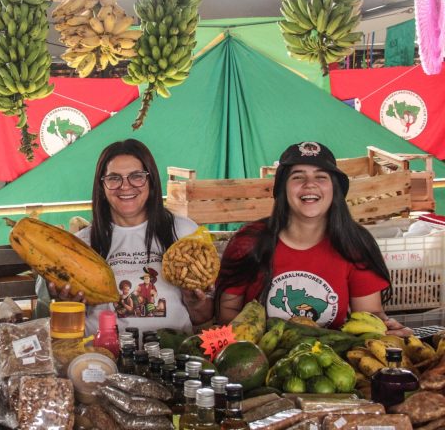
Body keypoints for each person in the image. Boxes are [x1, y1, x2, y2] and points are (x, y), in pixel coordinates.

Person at [188, 141, 412, 337]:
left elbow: (369, 315)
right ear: (282, 189)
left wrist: (388, 329)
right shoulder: (249, 241)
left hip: (329, 367)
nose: (310, 184)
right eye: (298, 177)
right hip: (258, 366)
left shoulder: (355, 244)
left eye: (321, 177)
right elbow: (227, 311)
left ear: (335, 189)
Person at [42, 139, 199, 335]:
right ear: (102, 186)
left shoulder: (183, 232)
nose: (125, 186)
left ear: (151, 181)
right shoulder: (83, 244)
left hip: (172, 358)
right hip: (102, 358)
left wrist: (196, 303)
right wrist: (69, 306)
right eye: (114, 178)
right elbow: (67, 330)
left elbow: (203, 316)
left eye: (136, 176)